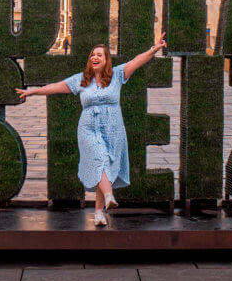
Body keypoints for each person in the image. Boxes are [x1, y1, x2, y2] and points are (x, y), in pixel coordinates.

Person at [16, 34, 167, 226]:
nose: (94, 58)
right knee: (98, 159)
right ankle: (109, 194)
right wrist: (32, 91)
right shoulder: (81, 80)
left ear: (106, 60)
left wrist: (155, 49)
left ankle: (99, 213)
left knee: (103, 166)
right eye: (92, 55)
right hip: (88, 128)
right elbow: (55, 87)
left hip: (113, 129)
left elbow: (137, 61)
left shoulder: (117, 75)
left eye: (99, 55)